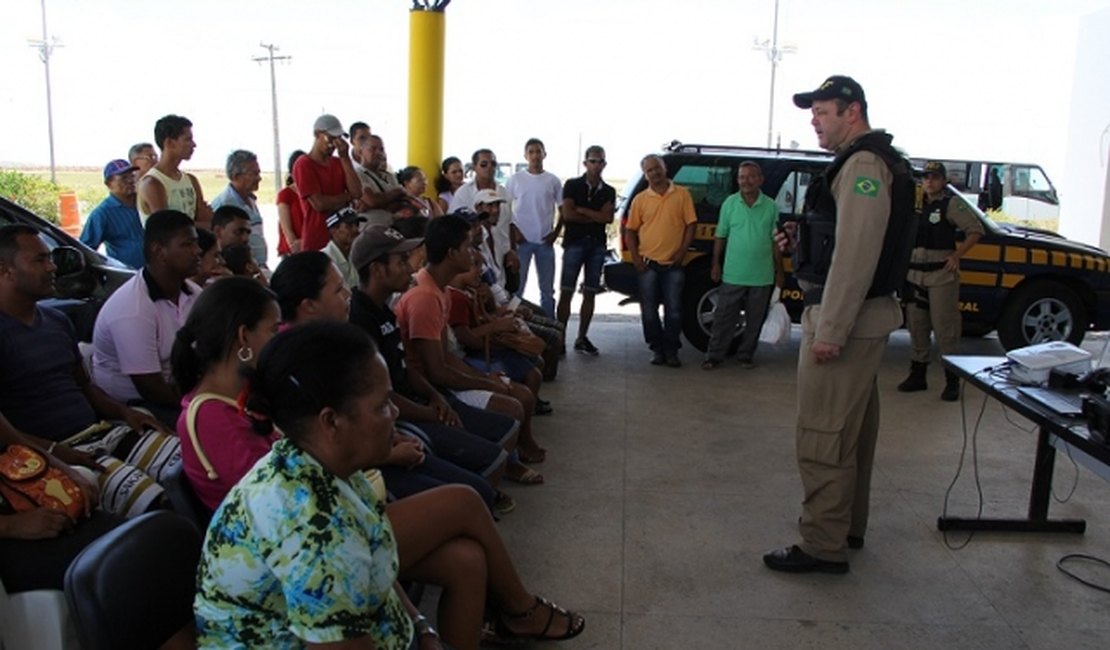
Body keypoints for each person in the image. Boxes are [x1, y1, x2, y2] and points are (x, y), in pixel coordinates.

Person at [194, 322, 585, 649]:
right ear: (331, 422)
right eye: (382, 405)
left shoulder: (321, 465)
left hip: (363, 619)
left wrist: (421, 626)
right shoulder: (316, 535)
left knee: (465, 558)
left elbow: (372, 548)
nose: (395, 412)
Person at [763, 75, 915, 574]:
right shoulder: (865, 161)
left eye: (823, 111)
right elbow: (840, 239)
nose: (814, 120)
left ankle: (823, 544)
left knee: (824, 434)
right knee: (850, 433)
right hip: (859, 316)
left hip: (845, 319)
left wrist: (830, 330)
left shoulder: (865, 164)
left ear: (852, 112)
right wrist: (802, 241)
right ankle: (845, 526)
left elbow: (856, 253)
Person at [0, 224, 180, 517]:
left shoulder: (56, 321)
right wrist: (56, 454)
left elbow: (84, 386)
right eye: (40, 260)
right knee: (155, 502)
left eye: (50, 258)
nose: (52, 267)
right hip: (48, 452)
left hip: (101, 432)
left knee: (190, 466)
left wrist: (125, 413)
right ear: (5, 270)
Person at [395, 215, 547, 481]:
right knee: (513, 404)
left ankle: (506, 461)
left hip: (439, 378)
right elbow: (437, 371)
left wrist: (485, 379)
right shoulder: (425, 297)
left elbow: (446, 358)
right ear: (452, 253)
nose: (473, 252)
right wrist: (489, 384)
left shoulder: (437, 289)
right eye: (467, 246)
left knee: (514, 389)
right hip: (426, 389)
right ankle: (501, 468)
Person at [91, 209, 202, 426]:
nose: (198, 251)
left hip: (180, 390)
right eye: (187, 244)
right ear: (159, 251)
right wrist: (200, 404)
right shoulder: (133, 308)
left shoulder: (194, 293)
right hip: (134, 407)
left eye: (196, 243)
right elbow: (151, 387)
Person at [897, 160, 984, 401]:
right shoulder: (915, 205)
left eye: (934, 177)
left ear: (944, 180)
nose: (929, 181)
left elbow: (975, 230)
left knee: (945, 327)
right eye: (925, 177)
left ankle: (952, 380)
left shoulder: (951, 204)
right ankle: (918, 375)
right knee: (917, 324)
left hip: (941, 274)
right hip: (915, 273)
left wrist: (957, 255)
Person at [703, 161, 783, 370]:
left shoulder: (771, 206)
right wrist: (715, 264)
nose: (745, 181)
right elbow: (720, 236)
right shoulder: (729, 204)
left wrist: (779, 270)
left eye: (750, 176)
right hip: (733, 273)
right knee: (723, 318)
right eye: (741, 177)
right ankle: (714, 356)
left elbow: (775, 241)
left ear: (760, 179)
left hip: (762, 275)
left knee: (755, 320)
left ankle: (745, 356)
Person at [625, 154, 696, 367]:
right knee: (648, 310)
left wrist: (682, 252)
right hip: (648, 265)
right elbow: (630, 231)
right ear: (645, 175)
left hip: (674, 264)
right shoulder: (640, 200)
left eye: (657, 168)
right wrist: (636, 258)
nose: (654, 173)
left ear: (664, 168)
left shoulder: (682, 194)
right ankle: (656, 349)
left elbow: (691, 225)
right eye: (649, 170)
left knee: (674, 310)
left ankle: (672, 350)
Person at [556, 146, 615, 356]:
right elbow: (568, 215)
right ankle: (560, 338)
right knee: (566, 291)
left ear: (604, 164)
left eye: (600, 161)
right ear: (585, 163)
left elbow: (607, 218)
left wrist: (582, 210)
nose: (596, 165)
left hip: (597, 246)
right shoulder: (572, 185)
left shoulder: (609, 190)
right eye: (593, 161)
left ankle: (582, 337)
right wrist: (594, 215)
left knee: (590, 292)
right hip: (575, 243)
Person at [507, 138, 562, 317]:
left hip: (544, 242)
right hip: (521, 242)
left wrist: (556, 233)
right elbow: (505, 210)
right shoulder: (515, 179)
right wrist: (514, 232)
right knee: (517, 289)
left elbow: (563, 210)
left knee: (547, 292)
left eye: (538, 151)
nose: (535, 155)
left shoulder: (552, 180)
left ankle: (551, 328)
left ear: (544, 154)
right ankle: (515, 327)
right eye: (531, 152)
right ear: (525, 155)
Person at [291, 114, 363, 252]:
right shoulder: (304, 164)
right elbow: (320, 204)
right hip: (318, 237)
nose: (334, 144)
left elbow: (357, 192)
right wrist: (347, 196)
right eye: (330, 138)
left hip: (343, 238)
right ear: (317, 134)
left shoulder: (339, 162)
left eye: (338, 139)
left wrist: (345, 157)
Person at [450, 149, 516, 283]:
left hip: (502, 257)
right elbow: (453, 228)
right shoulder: (463, 193)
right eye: (484, 164)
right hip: (475, 259)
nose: (489, 168)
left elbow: (510, 225)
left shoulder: (504, 193)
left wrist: (512, 251)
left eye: (493, 164)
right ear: (474, 167)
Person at [137, 114, 213, 229]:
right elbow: (167, 228)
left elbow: (203, 216)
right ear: (169, 143)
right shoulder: (152, 183)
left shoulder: (191, 180)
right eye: (188, 139)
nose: (193, 145)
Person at [79, 159, 145, 269]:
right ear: (109, 184)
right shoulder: (102, 214)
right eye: (124, 178)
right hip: (127, 276)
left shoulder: (144, 202)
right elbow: (85, 249)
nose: (130, 181)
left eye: (132, 176)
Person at [210, 149, 268, 269]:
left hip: (256, 266)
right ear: (237, 176)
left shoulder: (250, 199)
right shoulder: (224, 204)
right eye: (254, 174)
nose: (259, 178)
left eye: (258, 173)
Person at [351, 125, 416, 226]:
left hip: (395, 230)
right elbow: (372, 201)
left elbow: (403, 202)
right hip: (371, 231)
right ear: (360, 152)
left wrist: (381, 201)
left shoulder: (389, 176)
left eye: (381, 149)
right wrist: (398, 191)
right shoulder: (357, 174)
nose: (378, 153)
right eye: (372, 149)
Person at [323, 207, 366, 288]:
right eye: (349, 226)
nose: (356, 229)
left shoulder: (358, 254)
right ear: (333, 230)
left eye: (357, 224)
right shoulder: (325, 259)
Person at [277, 150, 307, 256]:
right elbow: (287, 229)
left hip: (310, 246)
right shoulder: (285, 194)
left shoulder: (314, 194)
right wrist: (295, 246)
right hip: (292, 252)